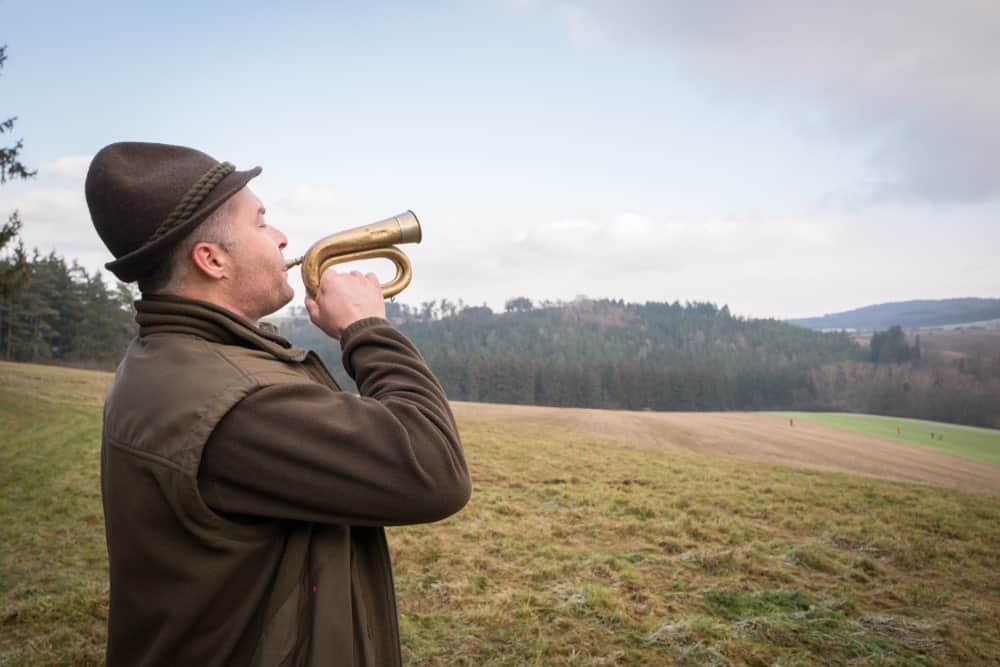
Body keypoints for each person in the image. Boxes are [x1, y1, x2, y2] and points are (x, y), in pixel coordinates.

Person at [86, 141, 471, 666]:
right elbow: (436, 470)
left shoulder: (171, 358)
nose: (284, 236)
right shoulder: (237, 401)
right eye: (262, 222)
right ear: (212, 259)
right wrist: (368, 329)